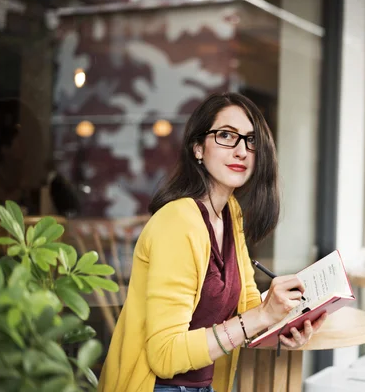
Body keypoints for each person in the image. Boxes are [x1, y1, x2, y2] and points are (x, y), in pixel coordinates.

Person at [99, 92, 327, 392]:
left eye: (251, 139)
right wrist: (261, 315)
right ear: (197, 148)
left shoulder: (230, 213)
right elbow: (164, 355)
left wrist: (287, 318)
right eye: (225, 136)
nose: (241, 151)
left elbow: (246, 305)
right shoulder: (178, 221)